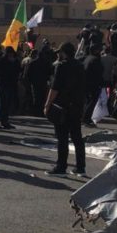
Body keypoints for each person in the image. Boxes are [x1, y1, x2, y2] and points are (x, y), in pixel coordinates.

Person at [44, 42, 86, 176]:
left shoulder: (61, 66)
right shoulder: (80, 66)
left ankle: (61, 166)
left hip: (62, 105)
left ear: (63, 53)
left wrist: (47, 104)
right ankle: (80, 167)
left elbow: (54, 88)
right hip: (77, 105)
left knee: (62, 138)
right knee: (77, 137)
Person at [81, 44, 105, 127]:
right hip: (94, 84)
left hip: (86, 83)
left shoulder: (87, 58)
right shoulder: (95, 60)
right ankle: (86, 119)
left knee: (88, 101)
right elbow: (99, 73)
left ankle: (85, 118)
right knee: (92, 101)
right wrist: (101, 83)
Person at [0, 46, 20, 130]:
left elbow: (18, 70)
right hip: (5, 84)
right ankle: (3, 121)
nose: (10, 55)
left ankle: (5, 121)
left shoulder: (14, 61)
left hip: (10, 84)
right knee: (4, 104)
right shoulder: (3, 60)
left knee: (7, 104)